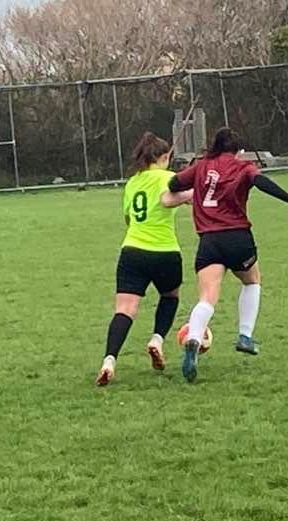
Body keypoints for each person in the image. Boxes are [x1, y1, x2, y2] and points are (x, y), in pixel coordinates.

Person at [169, 127, 288, 383]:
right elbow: (262, 183)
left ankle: (194, 338)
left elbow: (174, 184)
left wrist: (191, 191)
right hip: (238, 238)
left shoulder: (201, 166)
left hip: (209, 240)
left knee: (207, 297)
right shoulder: (243, 168)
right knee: (252, 281)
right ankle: (245, 335)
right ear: (237, 151)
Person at [95, 132, 193, 386]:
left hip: (132, 252)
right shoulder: (170, 178)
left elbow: (129, 218)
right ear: (162, 157)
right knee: (170, 296)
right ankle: (157, 339)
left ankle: (109, 360)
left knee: (125, 310)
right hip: (165, 251)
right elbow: (184, 197)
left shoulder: (132, 182)